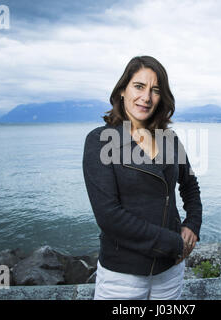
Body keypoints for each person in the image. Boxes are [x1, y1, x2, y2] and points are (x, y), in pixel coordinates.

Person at [82, 55, 202, 300]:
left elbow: (190, 186)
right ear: (123, 90)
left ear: (161, 98)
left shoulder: (170, 140)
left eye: (155, 90)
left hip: (170, 272)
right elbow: (109, 215)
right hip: (122, 276)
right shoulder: (100, 140)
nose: (146, 97)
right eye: (139, 86)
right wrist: (173, 243)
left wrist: (192, 224)